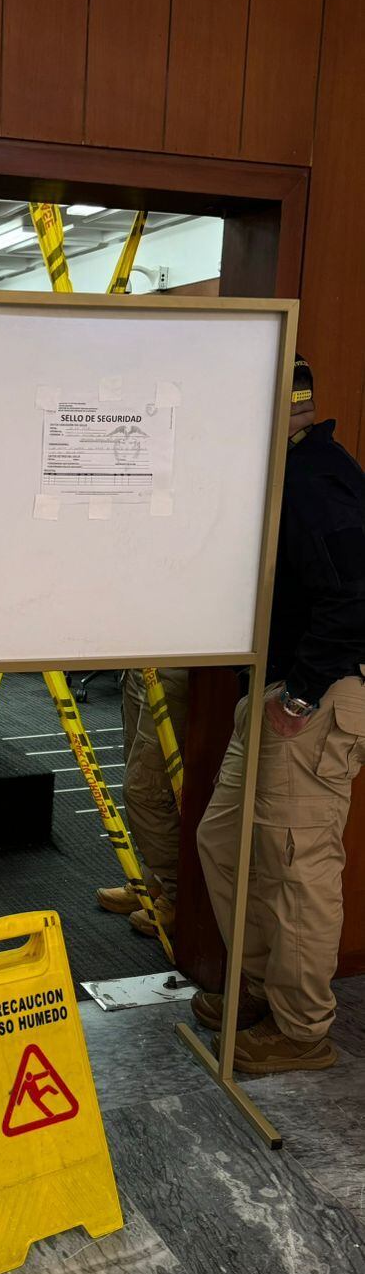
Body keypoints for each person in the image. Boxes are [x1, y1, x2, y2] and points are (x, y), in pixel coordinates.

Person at [193, 356, 365, 1074]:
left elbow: (354, 598)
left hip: (313, 700)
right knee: (226, 841)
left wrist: (300, 696)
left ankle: (301, 1031)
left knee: (297, 865)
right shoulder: (286, 473)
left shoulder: (316, 481)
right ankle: (261, 989)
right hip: (274, 692)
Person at [96, 668, 188, 940]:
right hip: (141, 660)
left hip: (175, 664)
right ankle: (151, 882)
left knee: (147, 787)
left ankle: (176, 893)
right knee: (135, 763)